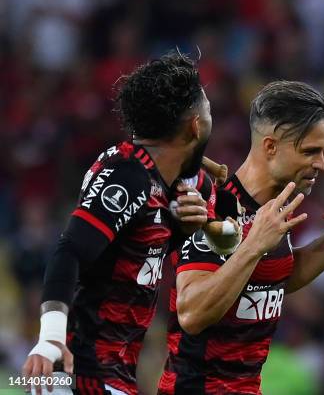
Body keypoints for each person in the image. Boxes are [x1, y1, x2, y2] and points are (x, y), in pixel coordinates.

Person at [158, 81, 324, 394]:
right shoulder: (215, 206)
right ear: (270, 147)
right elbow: (192, 312)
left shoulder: (270, 209)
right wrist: (253, 246)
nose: (321, 163)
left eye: (323, 150)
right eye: (310, 151)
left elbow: (273, 278)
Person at [22, 50, 217, 395]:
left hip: (114, 376)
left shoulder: (161, 183)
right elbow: (70, 251)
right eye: (209, 110)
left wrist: (179, 232)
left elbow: (128, 255)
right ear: (195, 126)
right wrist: (50, 338)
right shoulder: (128, 175)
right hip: (79, 374)